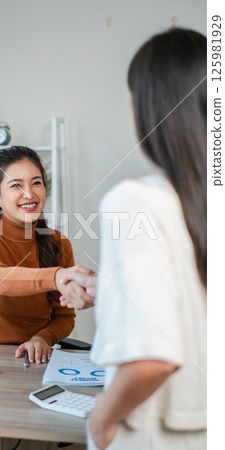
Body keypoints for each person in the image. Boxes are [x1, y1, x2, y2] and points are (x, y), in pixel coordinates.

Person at [61, 28, 207, 449]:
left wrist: (102, 417)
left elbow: (152, 357)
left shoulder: (134, 200)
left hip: (157, 433)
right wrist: (112, 288)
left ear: (143, 109)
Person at [0, 146, 94, 366]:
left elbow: (65, 316)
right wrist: (57, 276)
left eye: (36, 183)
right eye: (16, 185)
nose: (29, 194)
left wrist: (41, 339)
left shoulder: (59, 243)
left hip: (36, 360)